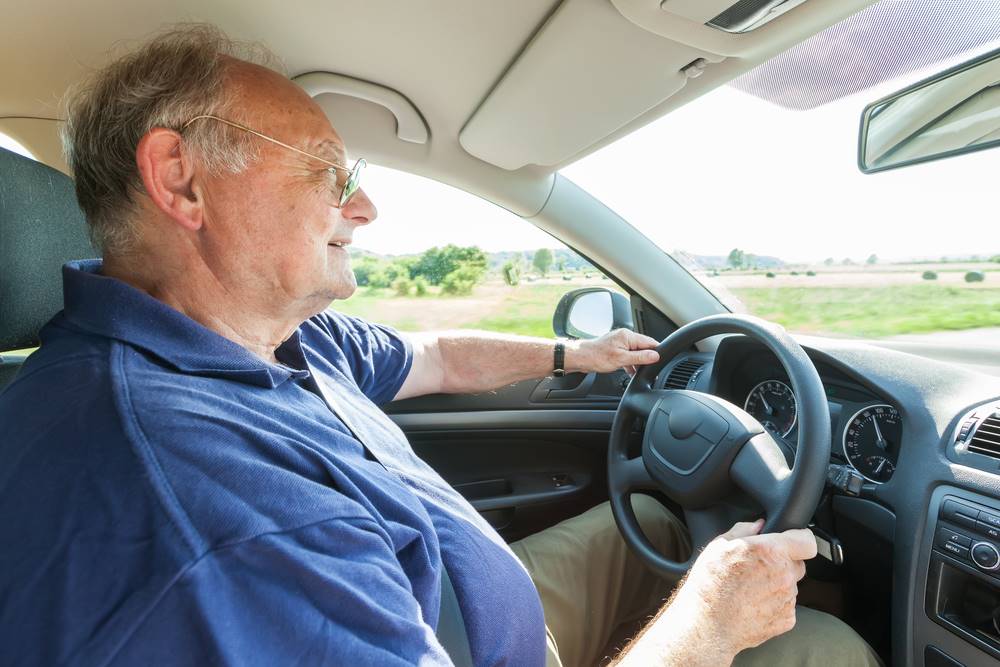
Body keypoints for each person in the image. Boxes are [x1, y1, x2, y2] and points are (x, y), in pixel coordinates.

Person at [0, 25, 881, 667]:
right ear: (181, 179)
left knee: (653, 519)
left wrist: (578, 357)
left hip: (457, 612)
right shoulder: (209, 510)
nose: (363, 207)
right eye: (326, 169)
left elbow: (437, 357)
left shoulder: (276, 339)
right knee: (827, 646)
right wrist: (713, 620)